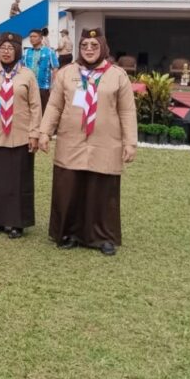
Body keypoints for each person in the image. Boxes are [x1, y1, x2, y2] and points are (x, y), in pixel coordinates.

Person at [37, 28, 137, 256]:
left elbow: (127, 111)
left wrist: (130, 143)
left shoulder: (117, 75)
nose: (89, 49)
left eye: (94, 45)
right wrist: (44, 132)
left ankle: (103, 237)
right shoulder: (66, 73)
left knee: (101, 191)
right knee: (69, 188)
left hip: (105, 143)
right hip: (71, 141)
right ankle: (68, 233)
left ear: (103, 47)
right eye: (84, 46)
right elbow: (54, 105)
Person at [0, 32, 42, 238]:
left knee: (19, 180)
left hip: (20, 135)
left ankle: (17, 223)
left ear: (18, 51)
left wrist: (34, 133)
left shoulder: (27, 75)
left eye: (10, 48)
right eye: (3, 48)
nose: (6, 52)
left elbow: (35, 106)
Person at [22, 29, 59, 112]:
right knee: (28, 111)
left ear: (41, 38)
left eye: (35, 36)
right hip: (28, 86)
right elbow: (22, 68)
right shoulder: (26, 52)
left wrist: (53, 85)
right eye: (30, 37)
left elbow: (55, 68)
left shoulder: (49, 52)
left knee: (43, 111)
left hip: (43, 88)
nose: (32, 38)